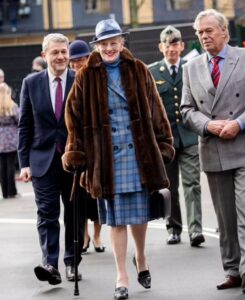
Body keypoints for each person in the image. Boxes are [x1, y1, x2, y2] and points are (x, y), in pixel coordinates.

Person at [62, 19, 174, 300]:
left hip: (139, 156)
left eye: (114, 42)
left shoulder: (139, 70)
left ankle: (141, 257)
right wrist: (75, 151)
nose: (109, 48)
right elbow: (73, 118)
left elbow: (156, 110)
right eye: (104, 44)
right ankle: (121, 276)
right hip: (106, 160)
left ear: (122, 43)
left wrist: (163, 143)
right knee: (116, 220)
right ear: (97, 47)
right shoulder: (85, 76)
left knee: (139, 215)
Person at [180, 9, 245, 294]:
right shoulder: (191, 68)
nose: (204, 36)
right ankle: (232, 270)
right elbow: (186, 110)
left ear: (223, 30)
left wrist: (240, 123)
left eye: (209, 30)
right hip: (214, 148)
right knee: (225, 217)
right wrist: (208, 125)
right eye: (199, 33)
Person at [18, 33, 85, 285]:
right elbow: (25, 125)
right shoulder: (31, 83)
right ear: (45, 55)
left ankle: (72, 263)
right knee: (47, 213)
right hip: (42, 160)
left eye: (64, 52)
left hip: (75, 160)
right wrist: (24, 163)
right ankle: (50, 264)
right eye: (55, 52)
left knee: (74, 214)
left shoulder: (80, 81)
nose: (60, 56)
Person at [149, 26, 204, 247]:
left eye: (175, 44)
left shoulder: (192, 68)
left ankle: (195, 230)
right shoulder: (152, 72)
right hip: (166, 140)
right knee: (169, 187)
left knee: (192, 184)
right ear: (161, 47)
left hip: (189, 136)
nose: (172, 49)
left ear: (182, 46)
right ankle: (173, 228)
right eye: (168, 44)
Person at [68, 39, 105, 253]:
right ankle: (84, 236)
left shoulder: (96, 75)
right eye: (73, 61)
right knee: (79, 198)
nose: (76, 64)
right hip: (77, 145)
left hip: (98, 146)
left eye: (80, 59)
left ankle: (98, 235)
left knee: (96, 196)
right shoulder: (70, 79)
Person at [0, 82, 19, 199]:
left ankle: (4, 192)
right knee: (10, 165)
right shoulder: (12, 106)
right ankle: (12, 191)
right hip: (11, 138)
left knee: (1, 166)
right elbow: (19, 120)